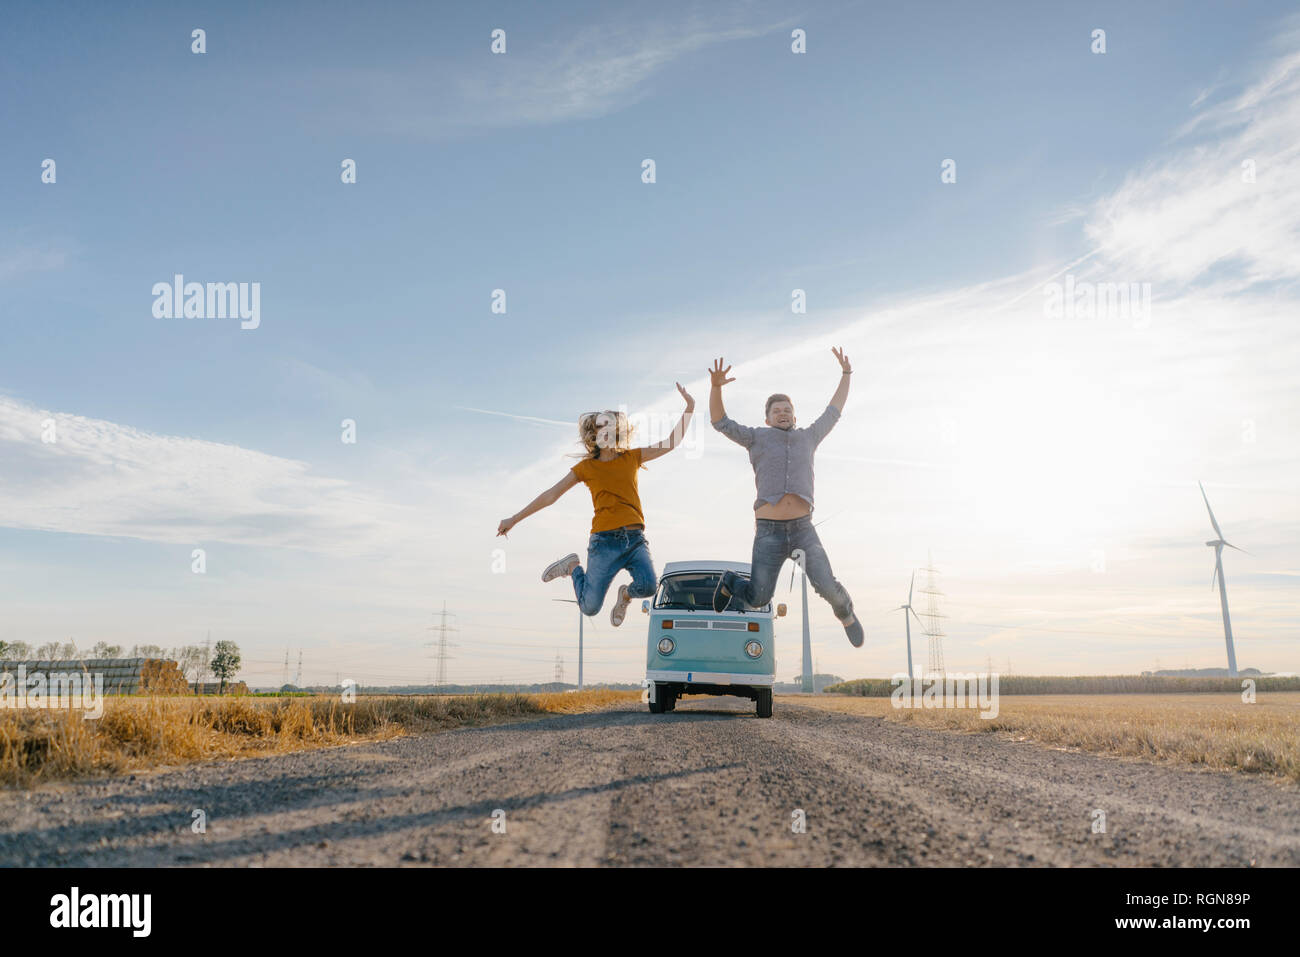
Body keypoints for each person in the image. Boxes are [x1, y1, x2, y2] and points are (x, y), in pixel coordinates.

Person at [496, 385, 695, 626]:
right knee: (589, 608)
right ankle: (572, 567)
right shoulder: (586, 468)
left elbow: (671, 443)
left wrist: (689, 408)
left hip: (634, 540)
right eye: (602, 425)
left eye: (611, 424)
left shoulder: (632, 457)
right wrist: (514, 519)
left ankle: (625, 595)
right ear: (596, 432)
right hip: (604, 543)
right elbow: (551, 495)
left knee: (649, 586)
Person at [707, 348, 865, 647]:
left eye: (787, 409)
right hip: (769, 531)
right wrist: (715, 388)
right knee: (759, 597)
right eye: (776, 410)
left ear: (795, 415)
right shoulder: (755, 437)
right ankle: (732, 581)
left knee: (828, 587)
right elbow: (720, 422)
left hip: (803, 529)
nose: (783, 413)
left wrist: (846, 375)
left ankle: (846, 614)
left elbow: (834, 410)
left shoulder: (810, 436)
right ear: (767, 419)